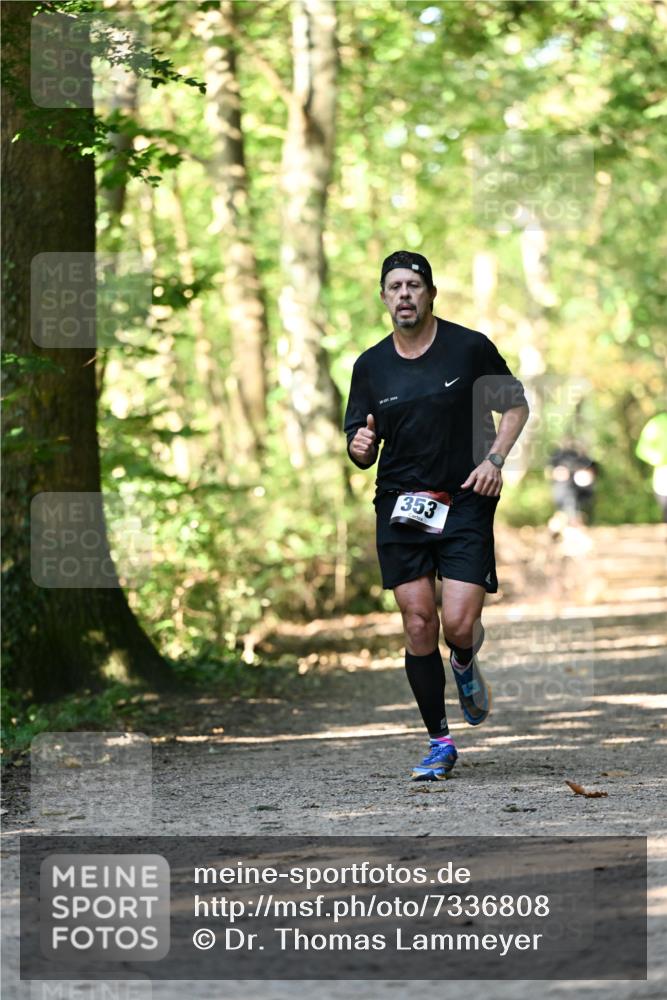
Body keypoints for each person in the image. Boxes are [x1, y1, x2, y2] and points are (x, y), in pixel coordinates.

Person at [344, 250, 529, 781]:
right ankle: (439, 741)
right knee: (419, 621)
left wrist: (495, 460)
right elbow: (361, 449)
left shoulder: (468, 349)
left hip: (467, 496)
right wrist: (359, 444)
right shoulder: (370, 366)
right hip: (402, 504)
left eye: (413, 286)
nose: (404, 294)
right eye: (394, 286)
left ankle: (466, 659)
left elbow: (515, 406)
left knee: (458, 623)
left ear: (430, 294)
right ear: (383, 298)